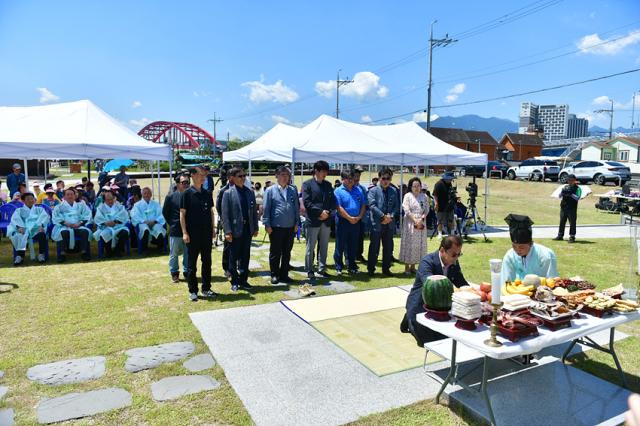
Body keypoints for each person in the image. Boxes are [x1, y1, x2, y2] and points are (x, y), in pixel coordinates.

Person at [405, 235, 469, 346]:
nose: (456, 258)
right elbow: (432, 285)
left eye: (459, 254)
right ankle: (408, 320)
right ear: (442, 250)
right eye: (454, 254)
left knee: (452, 339)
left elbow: (462, 283)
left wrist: (473, 292)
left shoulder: (454, 263)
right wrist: (455, 290)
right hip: (420, 309)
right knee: (432, 343)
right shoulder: (427, 262)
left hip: (441, 309)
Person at [180, 165, 216, 301]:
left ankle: (206, 288)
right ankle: (193, 291)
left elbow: (211, 212)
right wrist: (184, 232)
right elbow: (182, 215)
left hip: (206, 234)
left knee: (207, 262)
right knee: (191, 265)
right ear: (193, 176)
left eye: (204, 175)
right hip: (192, 234)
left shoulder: (207, 193)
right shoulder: (187, 194)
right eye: (200, 174)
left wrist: (213, 228)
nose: (203, 177)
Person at [222, 166, 259, 292]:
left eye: (244, 176)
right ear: (232, 178)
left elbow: (254, 212)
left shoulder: (249, 192)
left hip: (247, 229)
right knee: (233, 257)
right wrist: (227, 231)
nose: (243, 178)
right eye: (240, 176)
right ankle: (234, 281)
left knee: (245, 256)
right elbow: (225, 214)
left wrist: (255, 227)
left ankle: (243, 280)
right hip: (234, 230)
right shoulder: (228, 193)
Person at [262, 166, 300, 284]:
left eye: (287, 175)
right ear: (277, 176)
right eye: (282, 174)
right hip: (276, 227)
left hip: (290, 227)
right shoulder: (270, 190)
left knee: (287, 252)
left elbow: (296, 208)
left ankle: (284, 274)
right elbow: (266, 208)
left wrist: (296, 223)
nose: (285, 177)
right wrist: (267, 224)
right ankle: (274, 274)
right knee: (275, 252)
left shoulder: (292, 190)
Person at [302, 160, 336, 279]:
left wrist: (329, 212)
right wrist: (320, 212)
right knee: (310, 246)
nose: (325, 173)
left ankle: (322, 268)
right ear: (316, 171)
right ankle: (309, 269)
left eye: (327, 171)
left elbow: (333, 201)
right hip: (313, 220)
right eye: (323, 171)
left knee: (324, 246)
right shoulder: (307, 184)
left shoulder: (328, 185)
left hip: (326, 221)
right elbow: (307, 202)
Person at [501, 214, 558, 283]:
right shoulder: (510, 256)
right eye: (514, 246)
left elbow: (552, 281)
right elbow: (505, 281)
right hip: (518, 291)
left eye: (521, 247)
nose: (517, 250)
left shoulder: (546, 255)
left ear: (531, 244)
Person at [367, 168, 399, 276]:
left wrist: (391, 216)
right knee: (374, 247)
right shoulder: (373, 190)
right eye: (383, 178)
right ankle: (371, 269)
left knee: (388, 247)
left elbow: (396, 206)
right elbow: (372, 205)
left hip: (389, 224)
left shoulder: (394, 191)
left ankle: (386, 269)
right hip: (377, 223)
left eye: (388, 178)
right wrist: (382, 216)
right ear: (379, 178)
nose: (386, 180)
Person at [333, 170, 366, 275]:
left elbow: (363, 205)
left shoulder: (358, 190)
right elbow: (339, 207)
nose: (351, 180)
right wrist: (349, 217)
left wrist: (359, 216)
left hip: (356, 221)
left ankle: (351, 266)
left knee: (353, 245)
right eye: (349, 178)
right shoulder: (338, 191)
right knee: (340, 244)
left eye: (352, 178)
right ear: (343, 179)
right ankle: (338, 266)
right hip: (343, 221)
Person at [51, 188, 93, 262]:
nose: (70, 196)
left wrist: (79, 223)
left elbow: (87, 215)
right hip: (64, 226)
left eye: (72, 194)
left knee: (85, 232)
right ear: (64, 196)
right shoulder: (59, 206)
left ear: (75, 196)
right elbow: (55, 217)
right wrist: (66, 223)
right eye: (67, 194)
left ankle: (84, 252)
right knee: (63, 233)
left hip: (78, 226)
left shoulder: (81, 205)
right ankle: (62, 254)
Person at [8, 192, 50, 265]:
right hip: (24, 230)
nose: (31, 200)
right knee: (18, 235)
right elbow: (15, 220)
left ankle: (41, 254)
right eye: (28, 199)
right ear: (23, 201)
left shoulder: (39, 209)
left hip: (36, 229)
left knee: (42, 234)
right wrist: (19, 227)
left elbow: (45, 217)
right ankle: (20, 256)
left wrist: (41, 226)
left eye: (32, 199)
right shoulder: (19, 210)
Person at [400, 177, 429, 275]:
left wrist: (422, 218)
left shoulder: (424, 196)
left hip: (421, 223)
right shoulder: (407, 196)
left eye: (418, 186)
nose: (416, 188)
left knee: (418, 245)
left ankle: (413, 266)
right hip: (410, 223)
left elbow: (427, 209)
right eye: (414, 186)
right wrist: (415, 220)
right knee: (410, 244)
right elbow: (406, 209)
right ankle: (407, 267)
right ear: (411, 187)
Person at [163, 174, 190, 283]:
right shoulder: (170, 197)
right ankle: (174, 273)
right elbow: (165, 213)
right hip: (175, 229)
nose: (186, 185)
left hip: (189, 230)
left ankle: (187, 272)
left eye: (188, 182)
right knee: (174, 254)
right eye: (184, 183)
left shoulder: (191, 195)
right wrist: (173, 223)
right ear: (178, 184)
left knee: (188, 253)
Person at [93, 190, 130, 257]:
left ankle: (117, 250)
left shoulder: (119, 206)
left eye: (111, 199)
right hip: (106, 227)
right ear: (104, 200)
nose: (110, 201)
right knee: (104, 234)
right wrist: (106, 222)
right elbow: (98, 218)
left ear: (114, 198)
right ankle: (109, 251)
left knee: (125, 232)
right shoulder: (100, 207)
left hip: (118, 226)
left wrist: (115, 221)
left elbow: (124, 215)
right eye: (107, 200)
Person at [130, 187, 167, 251]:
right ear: (142, 195)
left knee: (159, 229)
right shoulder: (137, 205)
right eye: (145, 193)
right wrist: (144, 221)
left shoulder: (156, 204)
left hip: (154, 222)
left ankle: (160, 248)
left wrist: (155, 221)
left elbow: (161, 214)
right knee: (145, 229)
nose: (147, 195)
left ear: (151, 194)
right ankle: (144, 249)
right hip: (143, 223)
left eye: (148, 193)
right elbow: (134, 215)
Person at [553, 174, 582, 243]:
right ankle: (560, 235)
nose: (570, 181)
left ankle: (572, 236)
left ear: (574, 180)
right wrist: (562, 192)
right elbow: (559, 196)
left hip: (572, 208)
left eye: (571, 180)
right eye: (569, 180)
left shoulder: (578, 188)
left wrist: (571, 194)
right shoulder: (565, 187)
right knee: (562, 222)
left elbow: (578, 198)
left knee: (572, 223)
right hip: (563, 207)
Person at [216, 178, 233, 278]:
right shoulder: (223, 190)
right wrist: (224, 219)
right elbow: (218, 206)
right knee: (227, 246)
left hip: (238, 223)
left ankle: (238, 266)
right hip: (227, 222)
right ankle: (226, 268)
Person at [353, 168, 368, 263]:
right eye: (355, 176)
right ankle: (350, 256)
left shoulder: (362, 189)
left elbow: (366, 203)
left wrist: (361, 215)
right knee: (351, 238)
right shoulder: (349, 188)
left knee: (360, 238)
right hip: (351, 217)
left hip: (361, 218)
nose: (357, 178)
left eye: (358, 176)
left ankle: (359, 255)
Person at [433, 172, 456, 237]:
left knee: (450, 220)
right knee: (440, 220)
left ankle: (451, 233)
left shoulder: (449, 184)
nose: (451, 180)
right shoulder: (438, 184)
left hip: (449, 205)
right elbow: (435, 195)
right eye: (450, 179)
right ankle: (440, 233)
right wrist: (436, 203)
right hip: (441, 205)